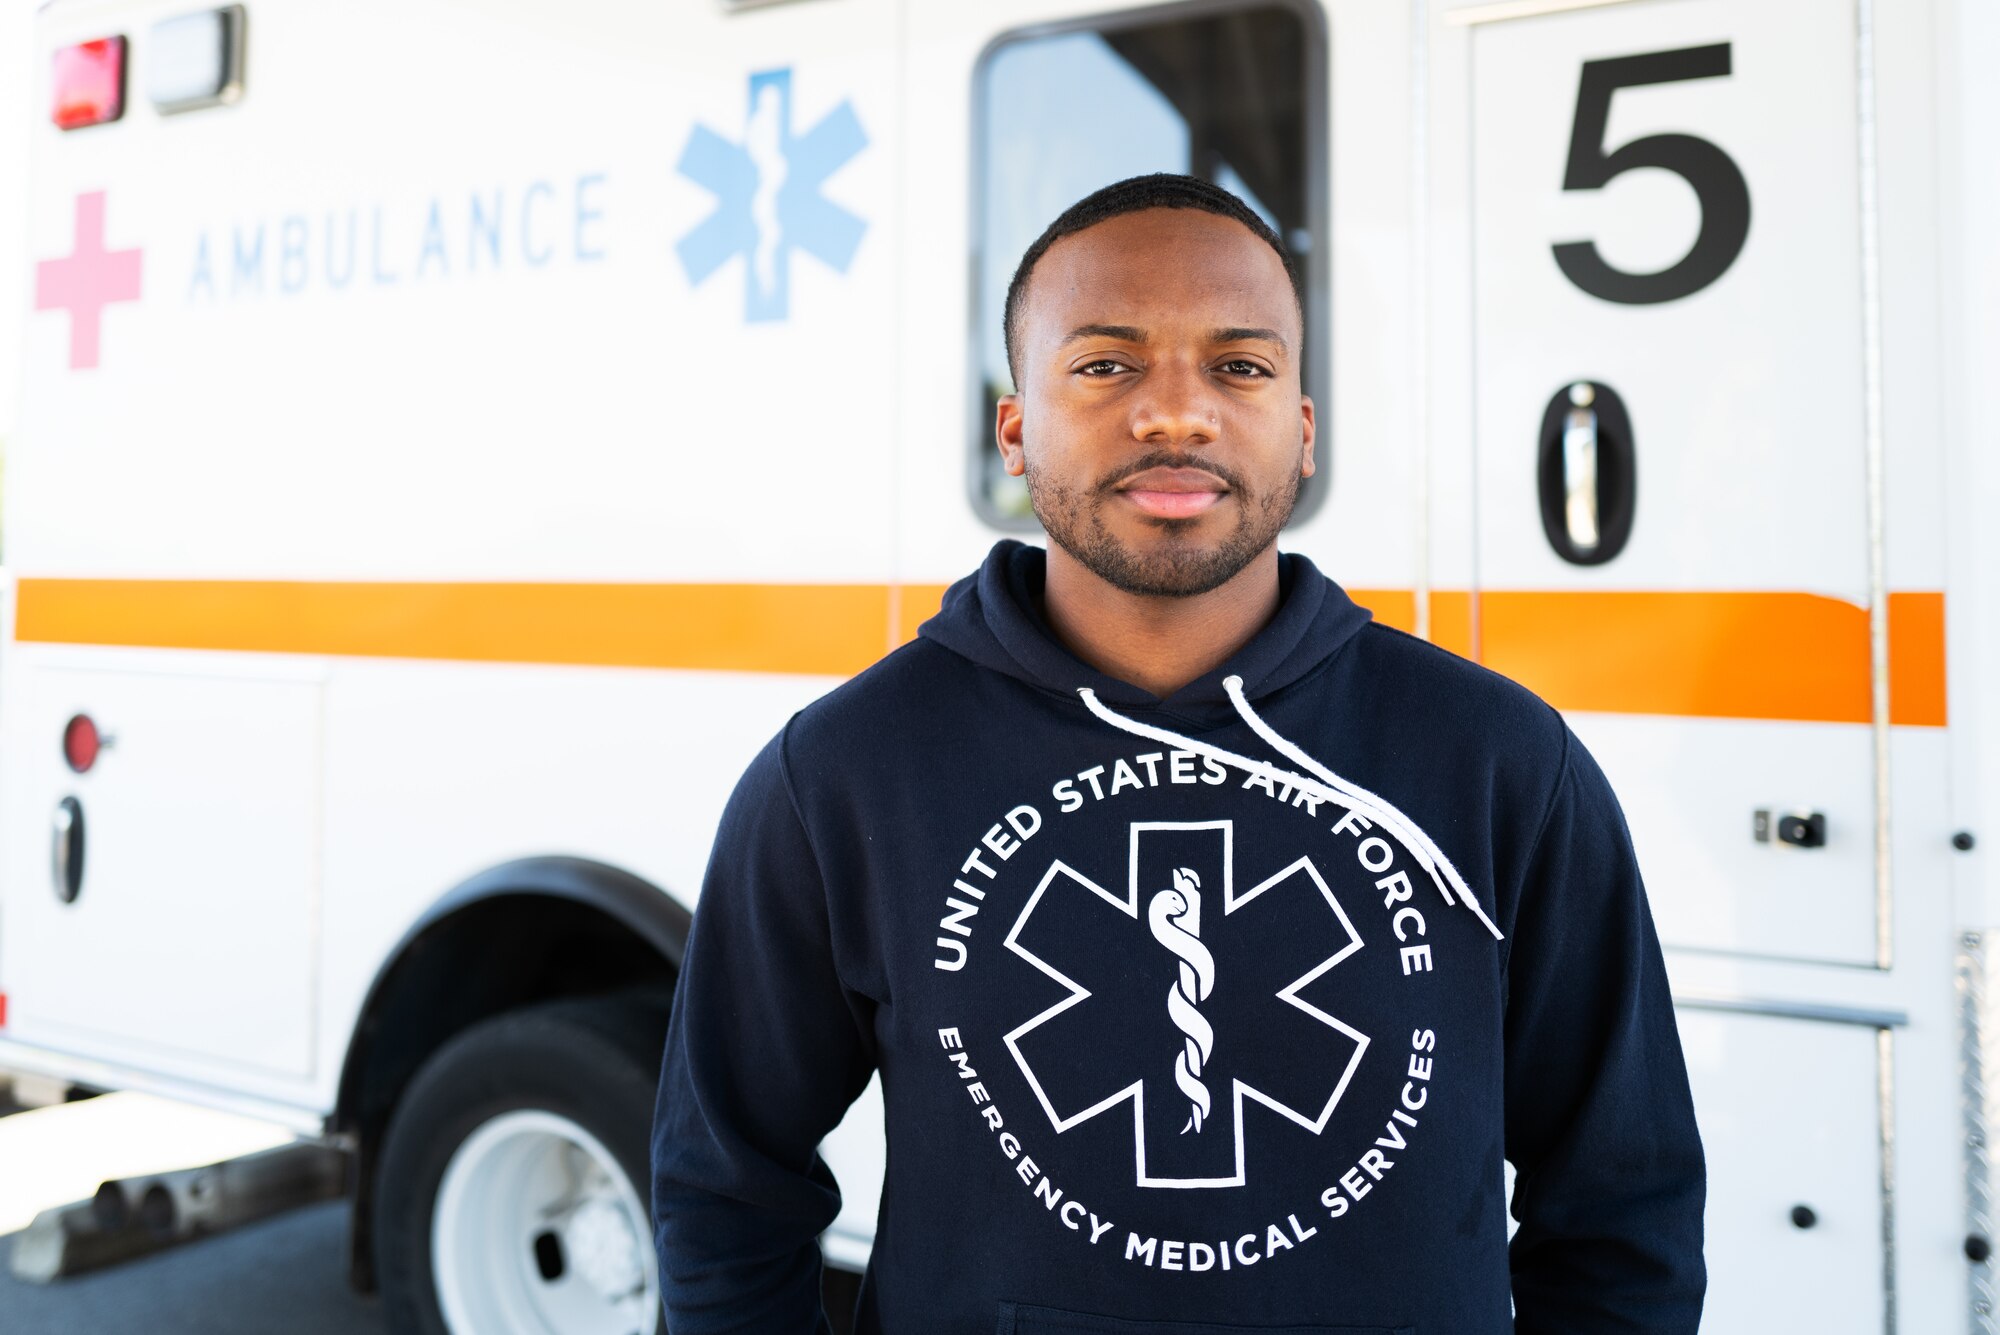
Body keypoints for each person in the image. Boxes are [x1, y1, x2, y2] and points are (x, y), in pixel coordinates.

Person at [651, 173, 1706, 1334]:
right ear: (1014, 428)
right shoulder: (842, 775)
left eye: (1239, 367)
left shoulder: (1499, 762)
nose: (1175, 415)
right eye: (1104, 366)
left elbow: (1623, 1208)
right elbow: (724, 1193)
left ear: (1301, 433)